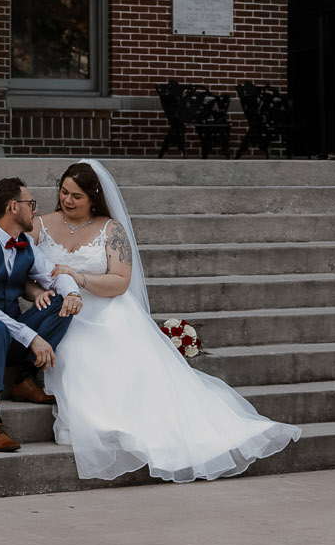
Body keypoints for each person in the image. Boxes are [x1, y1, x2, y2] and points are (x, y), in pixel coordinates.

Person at [31, 159, 300, 484]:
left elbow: (120, 281)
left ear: (94, 197)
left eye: (76, 196)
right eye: (63, 192)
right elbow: (22, 272)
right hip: (60, 313)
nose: (67, 200)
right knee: (75, 355)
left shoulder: (110, 229)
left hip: (106, 309)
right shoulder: (39, 225)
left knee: (120, 353)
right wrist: (37, 292)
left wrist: (80, 279)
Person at [0, 176, 82, 454]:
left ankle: (24, 379)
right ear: (13, 207)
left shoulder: (25, 244)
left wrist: (72, 294)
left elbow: (55, 274)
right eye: (30, 203)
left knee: (60, 302)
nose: (34, 209)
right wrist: (32, 337)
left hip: (10, 335)